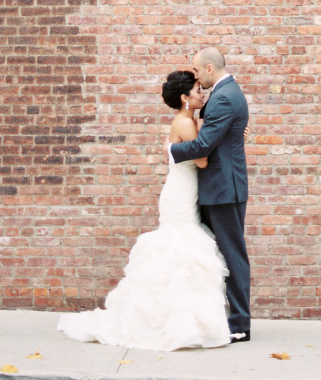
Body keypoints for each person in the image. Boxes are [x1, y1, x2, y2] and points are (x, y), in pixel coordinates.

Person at [57, 70, 231, 351]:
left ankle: (182, 321)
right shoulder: (185, 123)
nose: (203, 94)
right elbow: (201, 161)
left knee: (182, 251)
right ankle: (171, 323)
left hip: (183, 189)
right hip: (180, 194)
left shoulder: (189, 120)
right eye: (198, 90)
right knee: (178, 250)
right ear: (185, 98)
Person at [170, 47, 251, 343]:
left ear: (208, 68)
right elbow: (219, 136)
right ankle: (220, 318)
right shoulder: (226, 93)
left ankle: (240, 324)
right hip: (219, 186)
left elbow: (203, 147)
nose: (195, 76)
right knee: (218, 255)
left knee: (232, 255)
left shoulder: (224, 96)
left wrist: (171, 149)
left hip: (223, 188)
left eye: (196, 70)